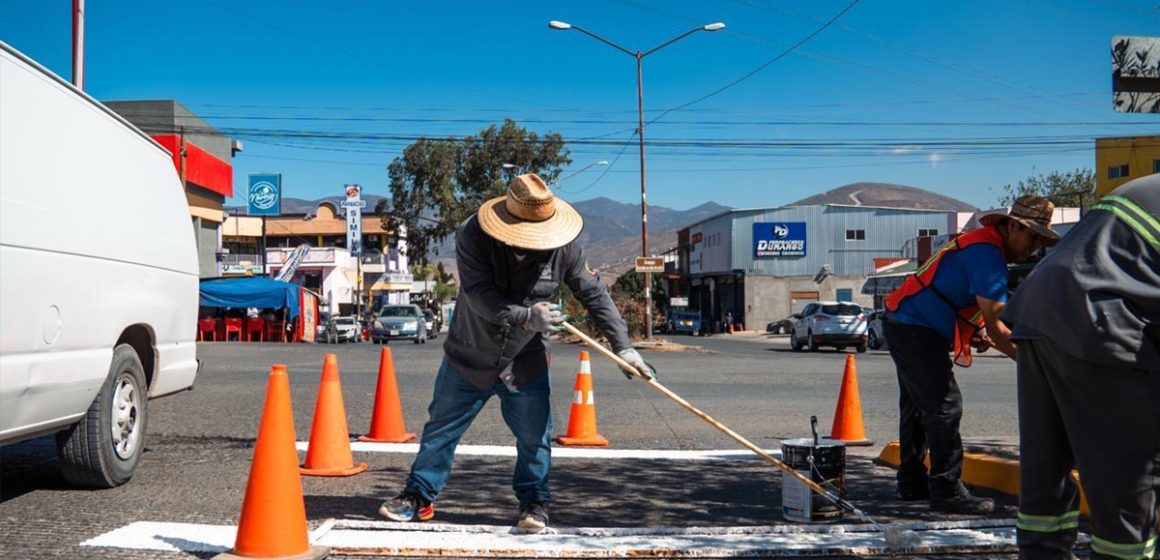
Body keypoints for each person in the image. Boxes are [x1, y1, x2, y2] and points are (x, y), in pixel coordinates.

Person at [377, 173, 656, 531]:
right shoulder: (474, 235)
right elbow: (478, 294)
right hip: (471, 349)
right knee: (441, 429)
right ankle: (419, 496)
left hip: (525, 359)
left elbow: (594, 293)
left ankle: (534, 503)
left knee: (534, 436)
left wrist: (625, 348)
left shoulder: (564, 246)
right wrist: (526, 316)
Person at [1002, 175, 1160, 560]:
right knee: (1126, 471)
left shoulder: (1147, 186)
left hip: (1039, 310)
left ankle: (1041, 553)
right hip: (1101, 318)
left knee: (1047, 459)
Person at [882, 195, 1059, 514]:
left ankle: (912, 483)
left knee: (919, 407)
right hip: (914, 326)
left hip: (906, 320)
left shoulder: (983, 246)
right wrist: (1036, 364)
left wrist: (974, 331)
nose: (1036, 246)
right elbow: (998, 327)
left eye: (1042, 239)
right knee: (945, 406)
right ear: (1014, 226)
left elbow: (966, 303)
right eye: (1033, 236)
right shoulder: (987, 254)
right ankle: (947, 491)